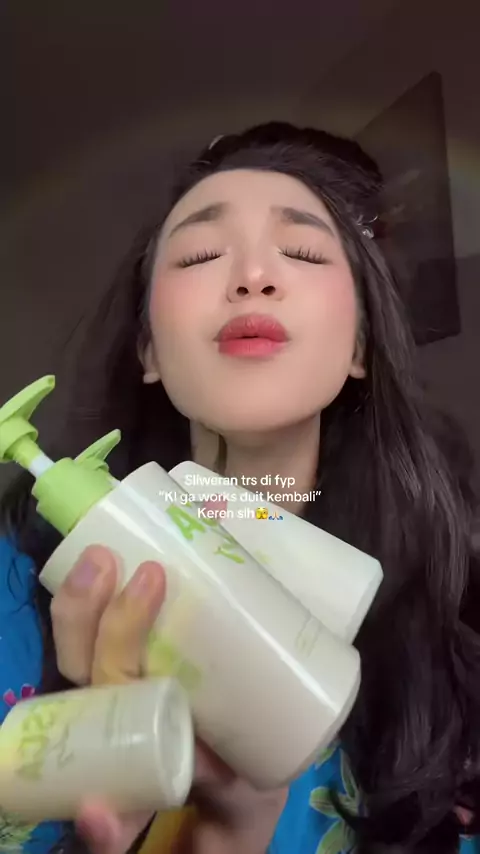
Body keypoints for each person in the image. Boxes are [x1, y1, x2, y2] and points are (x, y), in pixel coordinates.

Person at [0, 121, 479, 854]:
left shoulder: (443, 623)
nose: (253, 276)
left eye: (303, 252)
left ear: (360, 344)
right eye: (200, 255)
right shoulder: (16, 588)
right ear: (149, 349)